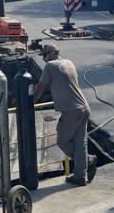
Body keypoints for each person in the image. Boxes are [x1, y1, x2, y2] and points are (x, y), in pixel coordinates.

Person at [32, 43, 97, 186]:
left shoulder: (50, 66)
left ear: (52, 53)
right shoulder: (69, 63)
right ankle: (80, 176)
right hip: (84, 107)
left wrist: (30, 102)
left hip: (71, 111)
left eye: (44, 55)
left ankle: (87, 160)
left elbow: (40, 87)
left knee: (62, 140)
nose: (43, 59)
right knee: (80, 142)